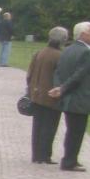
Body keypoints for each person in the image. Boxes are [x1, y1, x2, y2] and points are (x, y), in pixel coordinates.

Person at [48, 21, 90, 172]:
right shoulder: (85, 52)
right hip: (79, 98)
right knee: (76, 132)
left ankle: (70, 159)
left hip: (69, 98)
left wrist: (58, 87)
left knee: (72, 130)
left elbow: (59, 72)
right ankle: (69, 161)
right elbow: (79, 76)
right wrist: (62, 88)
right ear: (84, 34)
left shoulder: (68, 49)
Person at [26, 27, 66, 164]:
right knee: (49, 127)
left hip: (36, 95)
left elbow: (29, 75)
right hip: (50, 97)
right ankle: (45, 155)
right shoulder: (60, 56)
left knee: (37, 126)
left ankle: (36, 155)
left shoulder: (39, 52)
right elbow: (62, 76)